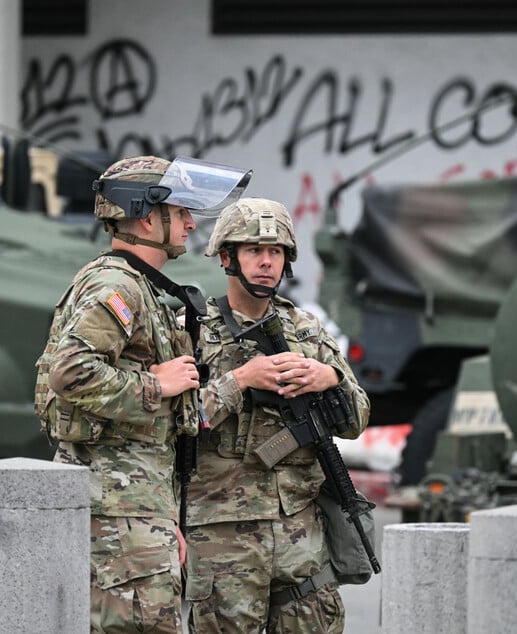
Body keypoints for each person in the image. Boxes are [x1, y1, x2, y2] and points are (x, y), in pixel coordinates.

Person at [35, 155, 251, 633]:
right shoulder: (118, 286)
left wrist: (162, 516)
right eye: (181, 211)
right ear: (148, 216)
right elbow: (70, 371)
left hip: (134, 510)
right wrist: (158, 384)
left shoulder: (137, 286)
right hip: (116, 517)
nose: (191, 223)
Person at [182, 197, 370, 633]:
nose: (266, 262)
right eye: (254, 250)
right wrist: (240, 380)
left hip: (300, 531)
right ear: (227, 258)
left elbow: (357, 419)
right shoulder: (191, 330)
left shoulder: (307, 330)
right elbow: (173, 422)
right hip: (221, 534)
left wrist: (328, 379)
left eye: (276, 252)